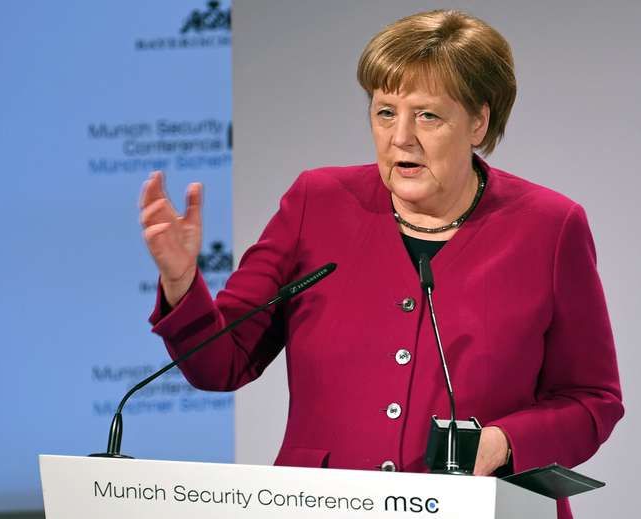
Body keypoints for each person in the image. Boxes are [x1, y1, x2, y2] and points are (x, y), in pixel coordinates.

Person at [138, 9, 623, 519]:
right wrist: (181, 281)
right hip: (323, 507)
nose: (401, 137)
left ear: (478, 121)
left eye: (428, 115)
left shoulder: (549, 226)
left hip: (482, 507)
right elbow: (222, 362)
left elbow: (593, 399)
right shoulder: (316, 202)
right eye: (385, 111)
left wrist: (505, 441)